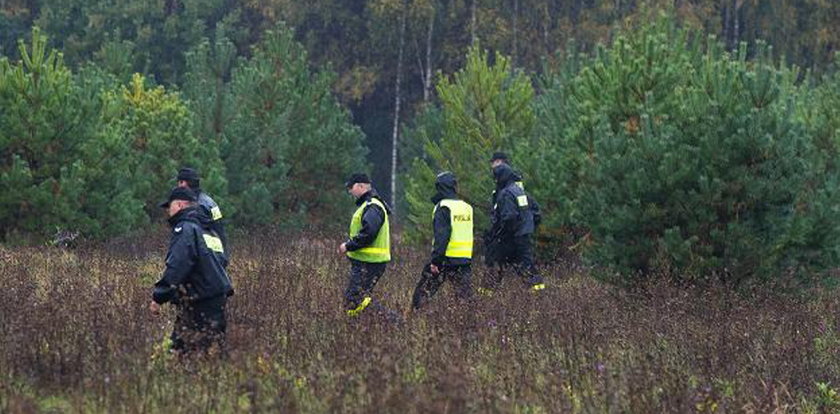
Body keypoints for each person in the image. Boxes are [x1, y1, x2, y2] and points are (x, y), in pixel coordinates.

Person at [149, 186, 233, 355]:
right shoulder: (208, 230)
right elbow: (222, 260)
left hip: (198, 302)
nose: (167, 211)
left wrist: (159, 296)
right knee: (212, 353)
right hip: (217, 299)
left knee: (183, 353)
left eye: (169, 206)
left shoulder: (186, 228)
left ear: (180, 205)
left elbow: (178, 265)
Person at [411, 172, 473, 309]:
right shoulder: (466, 207)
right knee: (465, 300)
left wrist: (435, 261)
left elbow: (442, 236)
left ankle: (414, 318)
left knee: (422, 294)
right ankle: (469, 324)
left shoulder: (443, 207)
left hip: (445, 260)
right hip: (464, 260)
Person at [483, 164, 545, 292]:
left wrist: (501, 234)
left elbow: (509, 217)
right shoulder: (518, 191)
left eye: (496, 178)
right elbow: (535, 213)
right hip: (523, 236)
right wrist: (528, 228)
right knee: (526, 267)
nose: (495, 181)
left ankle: (485, 298)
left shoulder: (506, 193)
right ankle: (539, 296)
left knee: (495, 265)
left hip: (511, 238)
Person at [338, 173, 392, 317]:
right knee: (356, 300)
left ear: (361, 186)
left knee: (353, 300)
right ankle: (362, 329)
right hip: (367, 262)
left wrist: (349, 245)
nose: (349, 190)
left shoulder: (372, 206)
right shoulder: (368, 205)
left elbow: (369, 232)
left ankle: (394, 322)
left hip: (369, 263)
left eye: (351, 187)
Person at [176, 167, 229, 266]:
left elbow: (192, 238)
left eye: (179, 182)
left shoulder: (194, 206)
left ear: (184, 183)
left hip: (204, 261)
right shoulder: (210, 202)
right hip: (218, 257)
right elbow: (220, 230)